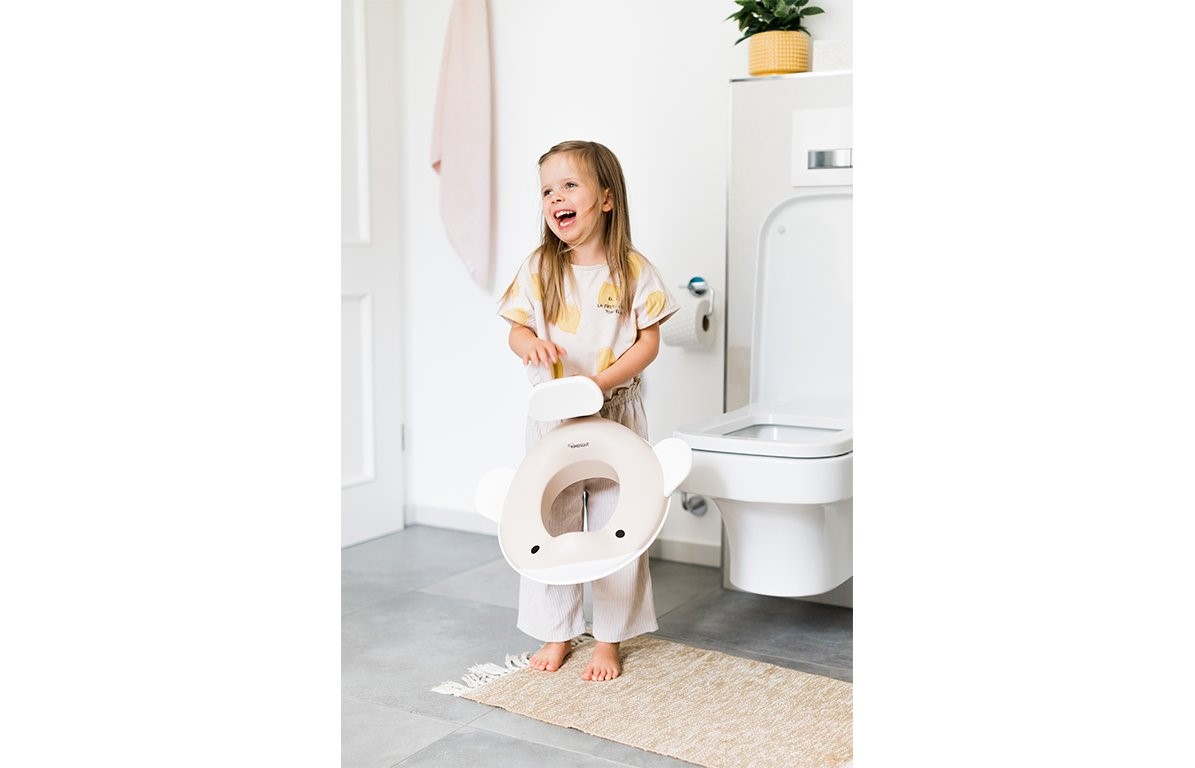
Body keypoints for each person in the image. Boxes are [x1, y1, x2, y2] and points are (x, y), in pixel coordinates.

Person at [497, 140, 679, 682]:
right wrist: (530, 344)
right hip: (554, 418)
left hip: (614, 413)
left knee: (617, 521)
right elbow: (516, 329)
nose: (555, 198)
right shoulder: (540, 268)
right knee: (549, 519)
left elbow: (648, 342)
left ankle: (609, 639)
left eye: (569, 185)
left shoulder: (633, 270)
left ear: (606, 198)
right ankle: (556, 630)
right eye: (547, 191)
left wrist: (600, 384)